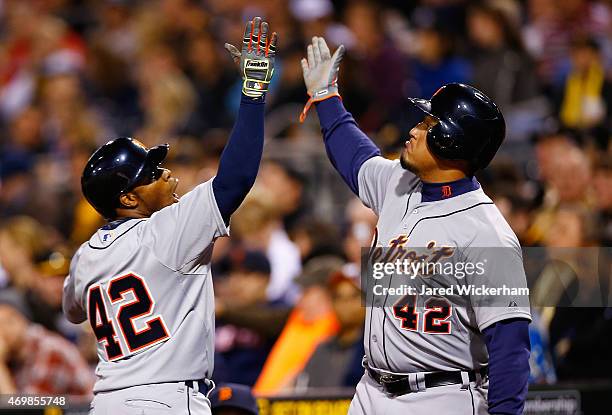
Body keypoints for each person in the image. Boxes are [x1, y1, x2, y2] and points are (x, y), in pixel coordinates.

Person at [299, 37, 531, 414]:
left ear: (452, 140)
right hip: (371, 390)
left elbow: (510, 347)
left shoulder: (487, 232)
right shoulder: (399, 182)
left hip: (441, 396)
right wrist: (326, 97)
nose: (414, 129)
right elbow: (355, 156)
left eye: (428, 123)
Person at [62, 17, 277, 414]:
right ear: (127, 199)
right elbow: (236, 178)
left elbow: (73, 310)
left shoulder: (85, 256)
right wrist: (253, 94)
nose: (167, 173)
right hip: (164, 400)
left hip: (107, 403)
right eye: (152, 174)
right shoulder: (166, 232)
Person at [0, 289, 94, 396]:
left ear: (22, 321)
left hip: (86, 410)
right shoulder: (14, 356)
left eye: (5, 323)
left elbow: (24, 409)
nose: (2, 332)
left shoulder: (48, 350)